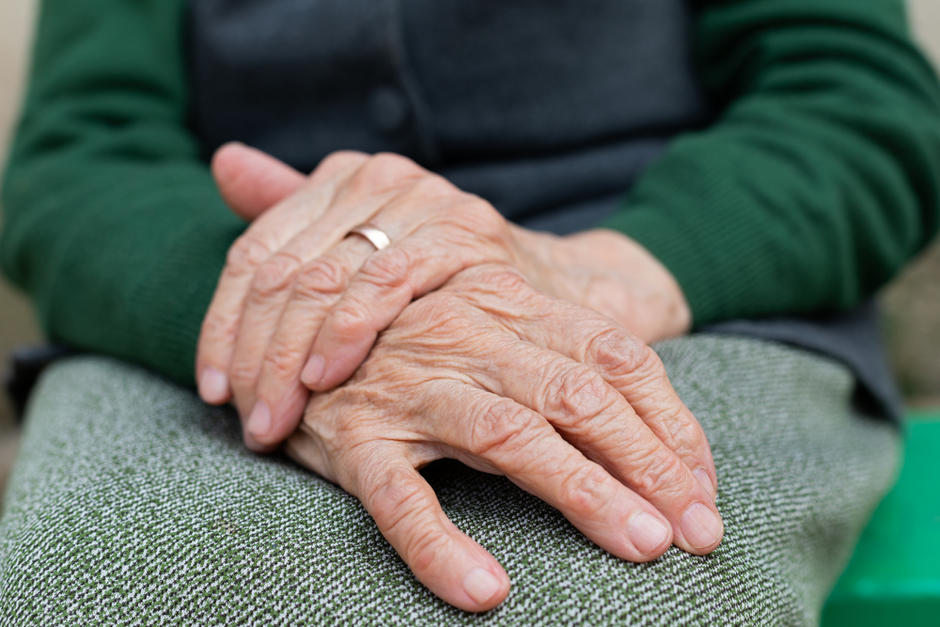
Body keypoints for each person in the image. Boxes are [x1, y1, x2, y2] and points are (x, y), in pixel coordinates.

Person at [1, 0, 938, 623]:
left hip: (656, 285)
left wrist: (604, 276)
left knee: (625, 590)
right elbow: (80, 154)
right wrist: (318, 309)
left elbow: (857, 102)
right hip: (238, 273)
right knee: (94, 582)